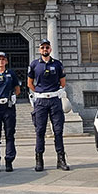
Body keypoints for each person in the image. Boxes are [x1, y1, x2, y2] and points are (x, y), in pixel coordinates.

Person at [27, 39, 70, 172]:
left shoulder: (57, 64)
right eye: (42, 47)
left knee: (58, 131)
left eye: (47, 47)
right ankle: (39, 160)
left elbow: (63, 83)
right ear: (39, 50)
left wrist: (53, 92)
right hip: (40, 102)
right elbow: (30, 84)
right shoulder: (34, 65)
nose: (45, 49)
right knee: (40, 131)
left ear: (50, 49)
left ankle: (61, 159)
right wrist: (40, 93)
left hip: (54, 100)